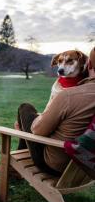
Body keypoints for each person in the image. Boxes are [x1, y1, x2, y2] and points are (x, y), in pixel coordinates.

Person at [15, 47, 95, 176]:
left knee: (25, 108)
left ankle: (14, 167)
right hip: (87, 165)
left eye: (69, 62)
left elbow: (37, 130)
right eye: (60, 62)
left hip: (58, 164)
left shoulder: (69, 95)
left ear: (87, 63)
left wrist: (34, 122)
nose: (62, 67)